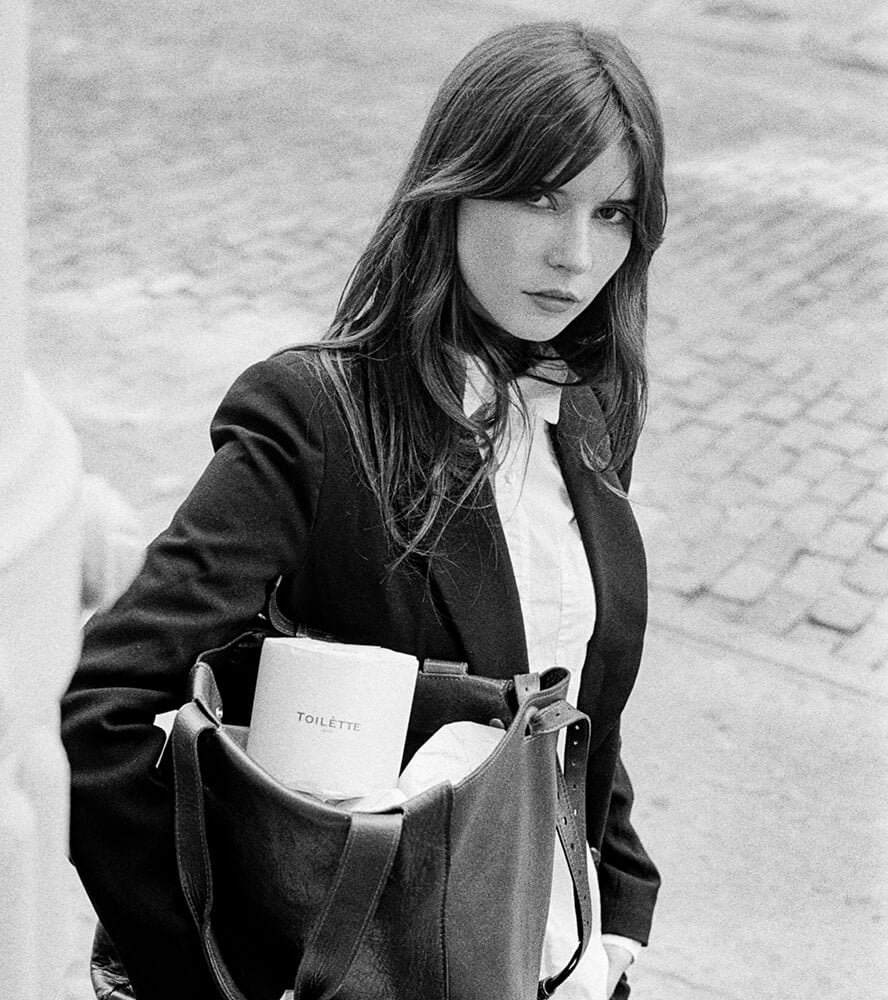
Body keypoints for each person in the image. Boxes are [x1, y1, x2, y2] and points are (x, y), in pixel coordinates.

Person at [61, 19, 666, 1000]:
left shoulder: (584, 409)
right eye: (539, 196)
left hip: (569, 958)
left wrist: (620, 909)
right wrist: (212, 977)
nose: (573, 253)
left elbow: (575, 680)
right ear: (454, 183)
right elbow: (103, 714)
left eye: (613, 213)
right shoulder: (316, 417)